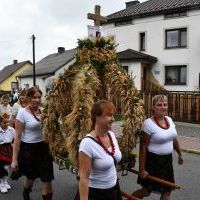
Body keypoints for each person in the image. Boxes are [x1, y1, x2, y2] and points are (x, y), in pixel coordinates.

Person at [131, 94, 183, 200]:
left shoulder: (169, 120)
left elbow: (173, 138)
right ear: (153, 107)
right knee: (146, 191)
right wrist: (141, 170)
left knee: (167, 191)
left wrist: (179, 153)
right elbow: (143, 148)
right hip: (153, 162)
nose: (163, 107)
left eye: (165, 104)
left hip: (167, 161)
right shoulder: (148, 124)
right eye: (159, 105)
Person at [11, 87, 54, 200]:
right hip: (29, 149)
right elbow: (17, 138)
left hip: (44, 148)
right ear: (29, 98)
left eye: (39, 97)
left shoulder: (44, 111)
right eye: (34, 97)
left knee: (47, 179)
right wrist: (14, 159)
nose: (37, 100)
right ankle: (26, 192)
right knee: (31, 179)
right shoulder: (22, 113)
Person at [78, 100, 122, 200]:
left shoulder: (111, 135)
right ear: (97, 117)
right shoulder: (87, 144)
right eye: (109, 115)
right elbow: (83, 178)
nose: (113, 119)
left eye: (113, 115)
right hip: (96, 193)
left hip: (114, 188)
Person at [0, 113, 15, 193]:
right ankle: (2, 184)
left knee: (7, 167)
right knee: (3, 167)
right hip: (0, 150)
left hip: (8, 149)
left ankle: (5, 182)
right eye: (4, 122)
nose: (6, 124)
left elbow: (16, 139)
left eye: (7, 122)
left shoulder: (11, 130)